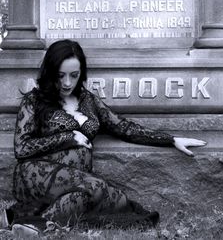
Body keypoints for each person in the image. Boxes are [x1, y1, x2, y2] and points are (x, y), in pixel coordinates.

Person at [1, 39, 206, 236]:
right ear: (50, 72)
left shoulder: (89, 100)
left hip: (77, 181)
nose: (67, 82)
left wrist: (170, 139)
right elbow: (22, 148)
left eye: (74, 75)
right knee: (99, 189)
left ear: (81, 73)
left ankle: (27, 224)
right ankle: (36, 223)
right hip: (36, 175)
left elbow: (123, 127)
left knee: (117, 201)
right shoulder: (34, 100)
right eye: (60, 75)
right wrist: (69, 137)